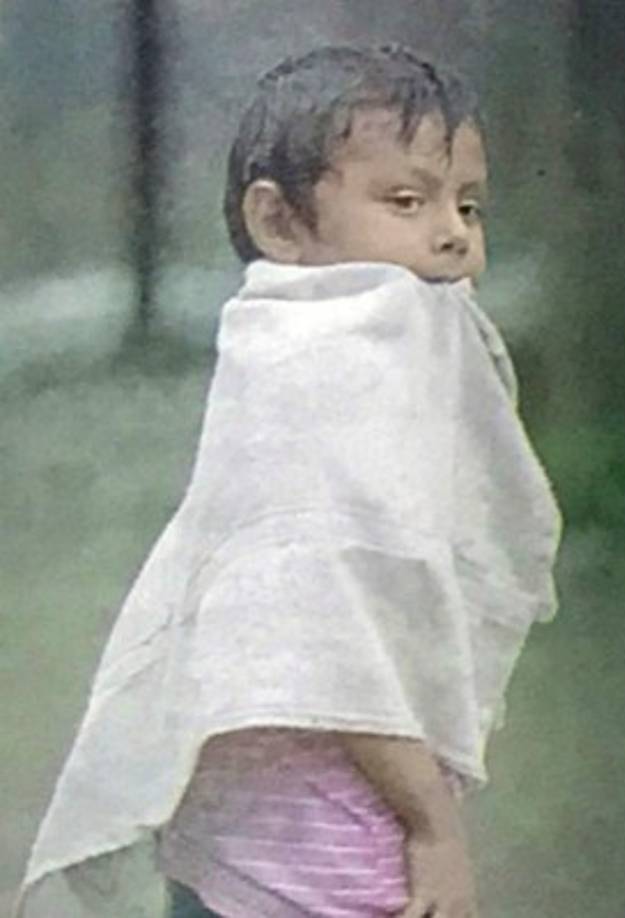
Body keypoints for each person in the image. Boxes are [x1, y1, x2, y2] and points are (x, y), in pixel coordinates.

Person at [16, 45, 562, 918]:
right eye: (406, 201)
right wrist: (433, 827)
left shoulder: (345, 361)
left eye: (467, 206)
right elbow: (327, 632)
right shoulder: (321, 378)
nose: (454, 233)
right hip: (306, 849)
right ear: (279, 224)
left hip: (274, 824)